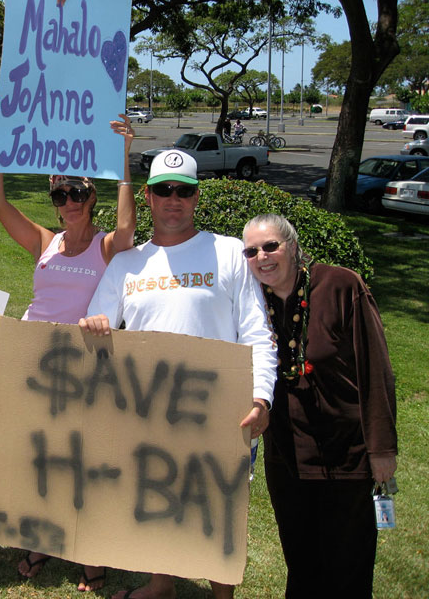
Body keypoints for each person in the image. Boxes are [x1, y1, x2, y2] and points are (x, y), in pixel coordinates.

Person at [79, 149, 277, 599]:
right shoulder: (127, 263)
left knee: (219, 508)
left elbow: (257, 331)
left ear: (196, 197)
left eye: (183, 190)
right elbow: (95, 323)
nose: (174, 199)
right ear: (148, 197)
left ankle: (222, 595)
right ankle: (160, 584)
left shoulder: (228, 252)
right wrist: (96, 324)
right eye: (164, 190)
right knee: (154, 498)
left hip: (219, 408)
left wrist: (261, 397)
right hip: (148, 410)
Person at [0, 98, 137, 592]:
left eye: (77, 193)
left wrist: (123, 157)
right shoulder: (43, 241)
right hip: (33, 360)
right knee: (40, 455)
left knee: (83, 460)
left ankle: (88, 550)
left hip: (83, 365)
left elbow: (129, 228)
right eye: (60, 195)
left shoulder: (106, 245)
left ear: (92, 197)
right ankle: (43, 539)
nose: (69, 202)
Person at [242, 214, 397, 598]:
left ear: (293, 246)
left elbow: (375, 368)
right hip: (288, 457)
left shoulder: (342, 285)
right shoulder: (252, 300)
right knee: (301, 563)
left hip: (346, 455)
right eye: (251, 251)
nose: (262, 257)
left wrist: (382, 448)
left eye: (271, 246)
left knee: (347, 566)